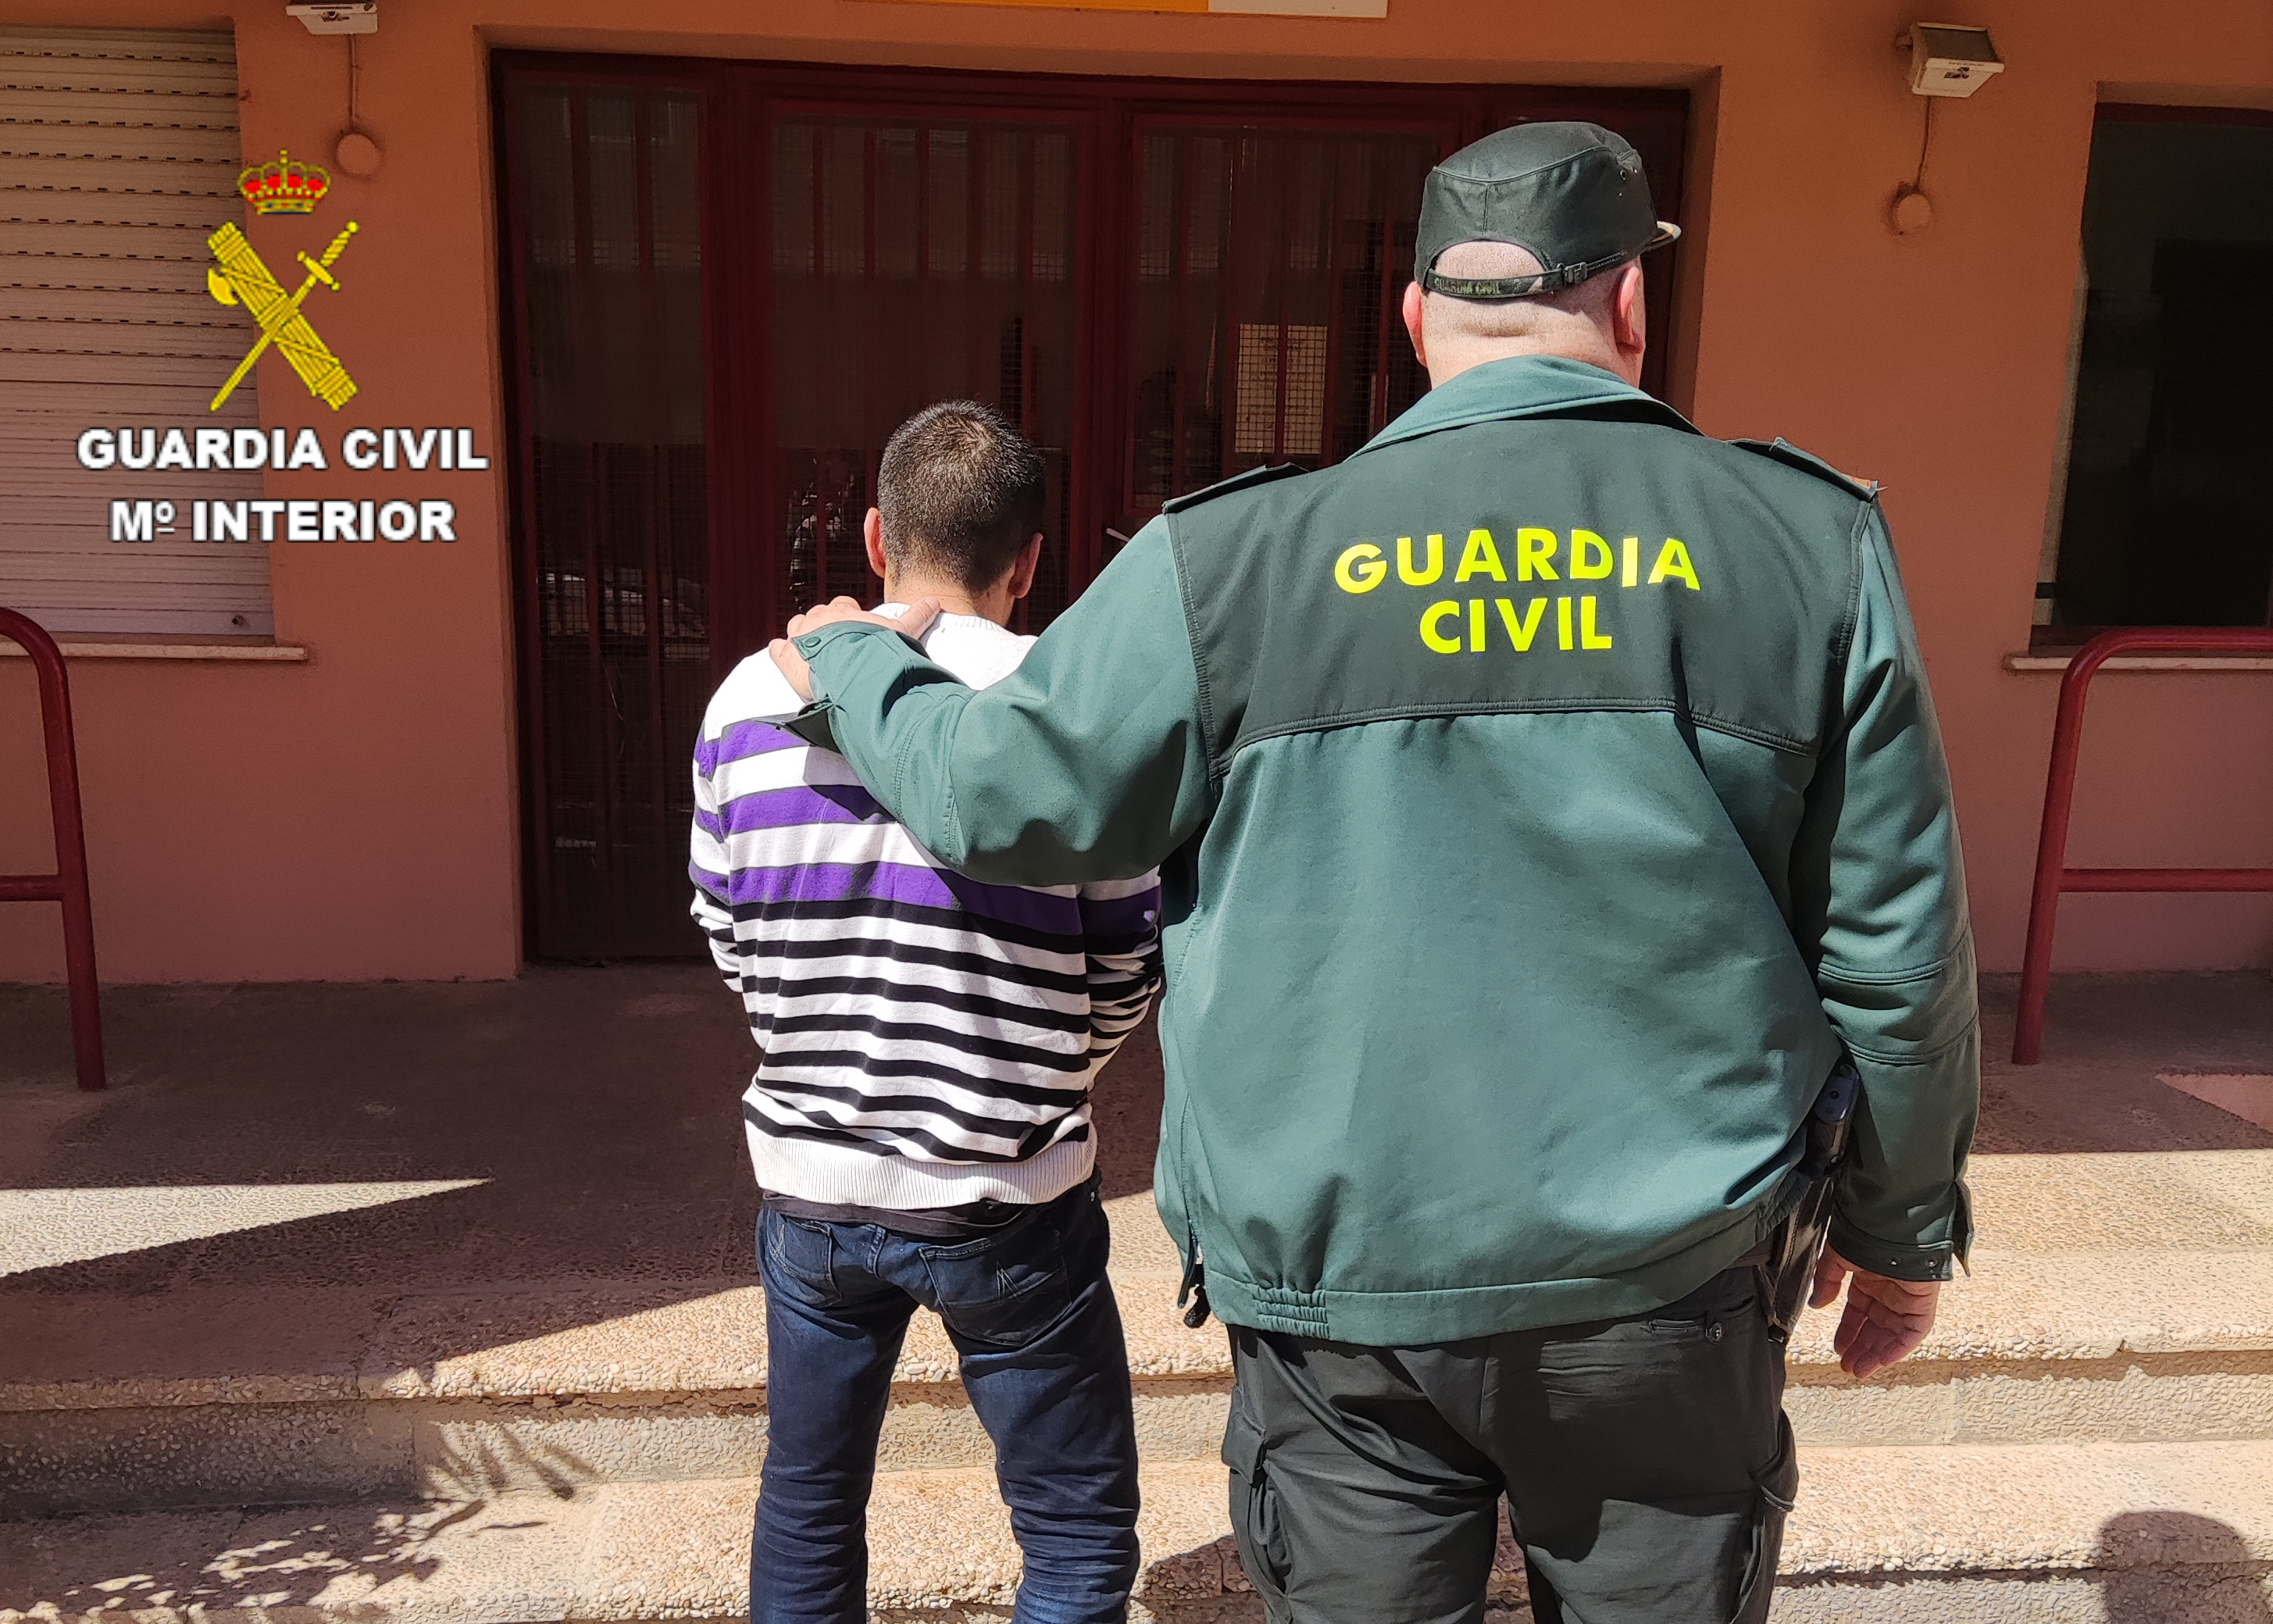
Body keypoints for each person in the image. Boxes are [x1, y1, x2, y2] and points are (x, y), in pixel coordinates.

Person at [769, 123, 1977, 1624]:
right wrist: (1899, 1231)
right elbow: (1899, 953)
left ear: (1412, 319)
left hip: (1343, 1306)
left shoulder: (1230, 559)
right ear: (1630, 305)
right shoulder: (1804, 543)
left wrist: (855, 663)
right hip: (1669, 1288)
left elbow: (999, 795)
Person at [689, 401, 1162, 1624]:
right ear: (1030, 562)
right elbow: (1127, 963)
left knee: (807, 1506)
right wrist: (1042, 1073)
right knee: (1075, 1541)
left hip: (812, 1185)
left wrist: (815, 1039)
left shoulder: (747, 698)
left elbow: (725, 926)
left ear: (874, 537)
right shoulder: (1069, 707)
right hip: (1011, 1198)